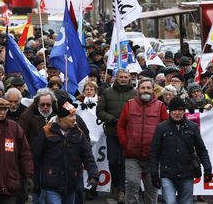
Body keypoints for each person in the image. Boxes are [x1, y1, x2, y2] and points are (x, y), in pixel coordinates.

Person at [33, 94, 99, 204]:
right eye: (71, 116)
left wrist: (93, 174)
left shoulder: (78, 133)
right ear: (60, 118)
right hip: (51, 183)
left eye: (74, 115)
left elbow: (87, 155)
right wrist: (34, 179)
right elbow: (36, 157)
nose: (74, 118)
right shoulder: (46, 132)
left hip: (71, 182)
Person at [150, 97, 212, 204]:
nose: (177, 113)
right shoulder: (161, 128)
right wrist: (154, 174)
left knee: (186, 202)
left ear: (184, 111)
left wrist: (208, 168)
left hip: (187, 173)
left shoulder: (192, 127)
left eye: (180, 110)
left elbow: (201, 150)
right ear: (170, 111)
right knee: (170, 202)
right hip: (167, 174)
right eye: (174, 110)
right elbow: (154, 152)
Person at [117, 77, 168, 204]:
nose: (146, 90)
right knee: (132, 184)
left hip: (153, 157)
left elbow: (166, 129)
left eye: (148, 88)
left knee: (152, 188)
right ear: (138, 90)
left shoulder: (160, 106)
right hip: (132, 155)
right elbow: (120, 125)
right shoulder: (129, 104)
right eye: (143, 87)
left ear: (153, 90)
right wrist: (125, 143)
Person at [96, 68, 137, 203]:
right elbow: (100, 111)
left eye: (126, 77)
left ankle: (121, 190)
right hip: (112, 133)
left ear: (129, 78)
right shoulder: (107, 93)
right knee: (113, 161)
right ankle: (115, 184)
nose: (123, 79)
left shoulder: (135, 93)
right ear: (116, 78)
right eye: (121, 77)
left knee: (126, 162)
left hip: (129, 134)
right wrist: (112, 120)